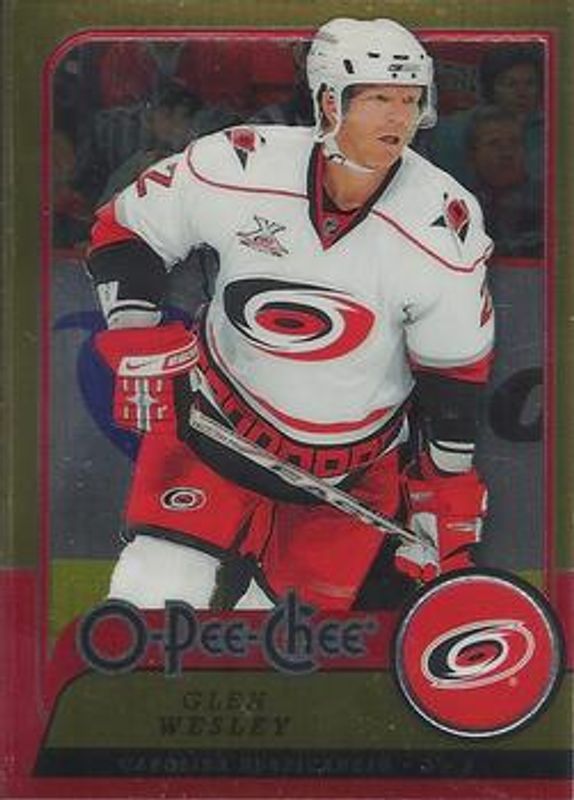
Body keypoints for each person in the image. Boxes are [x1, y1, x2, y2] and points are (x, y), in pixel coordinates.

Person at [86, 18, 494, 611]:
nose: (399, 117)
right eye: (379, 98)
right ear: (330, 101)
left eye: (410, 100)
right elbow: (125, 229)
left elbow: (454, 371)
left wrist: (447, 487)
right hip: (211, 437)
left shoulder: (443, 218)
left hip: (350, 480)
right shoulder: (239, 163)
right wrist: (132, 330)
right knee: (152, 592)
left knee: (283, 643)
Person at [465, 105, 543, 257]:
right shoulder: (461, 202)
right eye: (494, 144)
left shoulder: (545, 200)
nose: (507, 153)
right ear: (472, 155)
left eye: (514, 143)